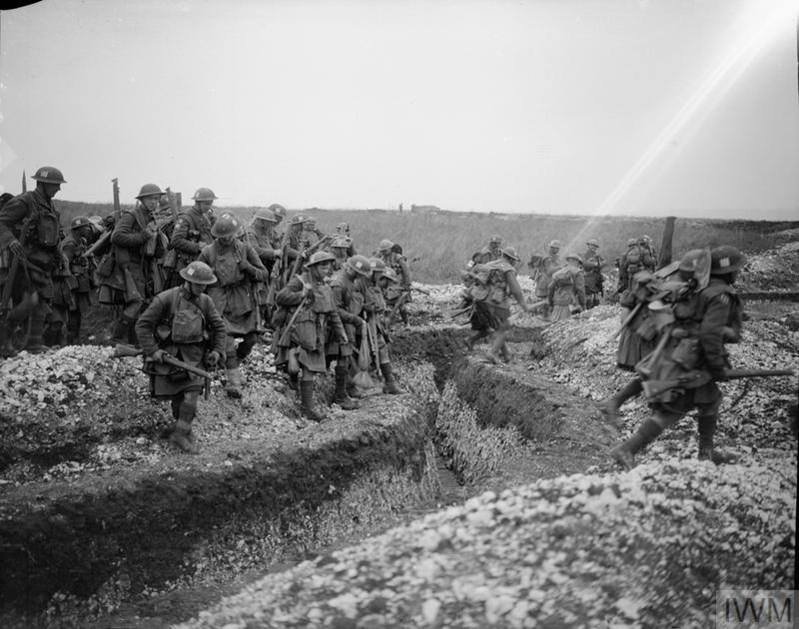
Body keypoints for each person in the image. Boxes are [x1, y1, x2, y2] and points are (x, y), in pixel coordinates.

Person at [610, 245, 745, 470]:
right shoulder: (720, 295)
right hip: (696, 360)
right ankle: (628, 448)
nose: (738, 274)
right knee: (672, 411)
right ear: (729, 271)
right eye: (737, 270)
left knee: (710, 401)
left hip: (688, 355)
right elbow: (710, 334)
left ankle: (707, 452)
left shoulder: (698, 288)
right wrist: (717, 365)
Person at [600, 249, 709, 428]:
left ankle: (619, 404)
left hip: (652, 333)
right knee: (655, 372)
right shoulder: (677, 287)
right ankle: (627, 409)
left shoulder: (671, 280)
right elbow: (665, 312)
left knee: (655, 372)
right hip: (648, 333)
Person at [135, 260, 226, 454]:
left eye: (205, 285)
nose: (202, 288)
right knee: (178, 398)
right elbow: (143, 325)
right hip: (170, 357)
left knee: (191, 396)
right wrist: (153, 351)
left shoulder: (205, 301)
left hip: (195, 357)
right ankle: (182, 428)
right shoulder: (165, 299)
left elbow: (219, 327)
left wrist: (217, 351)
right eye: (199, 284)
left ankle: (180, 434)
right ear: (187, 281)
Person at [198, 212, 268, 398]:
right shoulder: (208, 252)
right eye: (223, 236)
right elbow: (196, 275)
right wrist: (208, 275)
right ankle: (234, 383)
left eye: (230, 235)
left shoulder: (245, 249)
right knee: (226, 341)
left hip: (242, 300)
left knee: (252, 339)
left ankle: (234, 360)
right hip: (219, 299)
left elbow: (264, 274)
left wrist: (249, 268)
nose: (227, 239)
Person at [273, 250, 349, 422]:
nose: (326, 268)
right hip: (301, 330)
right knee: (306, 367)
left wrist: (341, 333)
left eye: (328, 265)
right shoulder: (300, 281)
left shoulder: (326, 286)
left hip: (318, 332)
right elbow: (281, 297)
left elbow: (333, 312)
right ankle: (307, 406)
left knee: (310, 368)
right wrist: (301, 295)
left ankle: (307, 405)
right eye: (322, 265)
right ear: (313, 267)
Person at [0, 166, 67, 354]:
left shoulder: (49, 205)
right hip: (23, 262)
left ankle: (34, 345)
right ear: (43, 184)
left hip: (42, 262)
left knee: (41, 303)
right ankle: (2, 342)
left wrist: (58, 255)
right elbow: (2, 222)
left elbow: (51, 235)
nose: (58, 189)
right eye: (55, 185)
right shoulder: (25, 201)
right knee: (30, 301)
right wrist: (10, 240)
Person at [99, 183, 168, 346]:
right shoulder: (132, 215)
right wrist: (142, 236)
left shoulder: (152, 218)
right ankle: (116, 338)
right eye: (151, 199)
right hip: (128, 266)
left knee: (141, 303)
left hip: (143, 266)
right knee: (136, 302)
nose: (154, 202)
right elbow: (116, 237)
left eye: (157, 199)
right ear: (142, 199)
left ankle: (134, 343)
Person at [467, 246, 536, 362]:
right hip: (494, 302)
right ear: (512, 259)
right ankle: (492, 353)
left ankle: (505, 354)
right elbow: (515, 289)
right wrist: (523, 304)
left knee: (494, 327)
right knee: (505, 328)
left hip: (479, 299)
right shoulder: (508, 269)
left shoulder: (489, 264)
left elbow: (474, 278)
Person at [329, 255, 372, 409]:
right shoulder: (339, 284)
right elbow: (335, 310)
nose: (360, 277)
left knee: (347, 357)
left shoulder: (349, 282)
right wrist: (355, 319)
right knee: (343, 358)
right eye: (359, 274)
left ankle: (347, 387)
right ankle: (340, 395)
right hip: (337, 327)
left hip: (347, 325)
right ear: (353, 271)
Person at [364, 258, 402, 394]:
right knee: (367, 353)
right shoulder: (363, 286)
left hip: (375, 324)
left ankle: (388, 381)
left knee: (382, 348)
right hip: (364, 324)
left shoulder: (376, 288)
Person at [168, 187, 216, 287]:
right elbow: (176, 240)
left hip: (203, 264)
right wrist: (198, 247)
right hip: (188, 265)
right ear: (198, 203)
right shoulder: (186, 218)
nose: (209, 206)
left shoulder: (205, 217)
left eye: (210, 203)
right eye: (206, 203)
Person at [60, 216, 96, 344]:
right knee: (73, 312)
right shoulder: (70, 243)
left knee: (78, 312)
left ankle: (75, 339)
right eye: (86, 227)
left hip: (80, 282)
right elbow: (64, 264)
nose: (88, 230)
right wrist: (71, 281)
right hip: (73, 284)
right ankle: (70, 341)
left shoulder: (79, 241)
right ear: (78, 229)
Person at [243, 208, 282, 323]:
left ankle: (265, 320)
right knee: (259, 297)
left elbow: (268, 245)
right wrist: (273, 253)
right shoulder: (250, 232)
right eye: (269, 222)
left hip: (266, 268)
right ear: (261, 221)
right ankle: (258, 322)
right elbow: (254, 250)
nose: (271, 224)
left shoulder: (264, 232)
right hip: (255, 269)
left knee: (267, 295)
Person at [378, 239, 412, 327]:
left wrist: (407, 284)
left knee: (401, 306)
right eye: (382, 251)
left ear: (390, 249)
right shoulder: (382, 259)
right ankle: (390, 325)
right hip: (388, 286)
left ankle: (406, 323)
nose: (384, 252)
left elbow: (406, 271)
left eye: (385, 250)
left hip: (399, 285)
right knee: (388, 306)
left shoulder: (398, 258)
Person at [530, 239, 564, 321]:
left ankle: (546, 316)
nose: (557, 250)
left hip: (548, 281)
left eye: (558, 248)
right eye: (556, 248)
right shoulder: (547, 258)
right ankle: (543, 317)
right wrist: (561, 268)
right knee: (545, 299)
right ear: (552, 248)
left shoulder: (553, 257)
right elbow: (550, 270)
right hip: (544, 281)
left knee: (549, 299)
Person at [547, 252, 586, 321]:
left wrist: (550, 303)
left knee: (554, 327)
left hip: (557, 304)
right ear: (576, 262)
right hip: (571, 305)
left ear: (568, 261)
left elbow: (550, 288)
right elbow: (581, 290)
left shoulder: (557, 273)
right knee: (569, 327)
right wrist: (583, 305)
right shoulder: (578, 272)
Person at [582, 239, 605, 309]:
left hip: (596, 277)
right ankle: (587, 309)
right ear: (588, 246)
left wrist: (601, 264)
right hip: (588, 277)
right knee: (588, 294)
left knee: (596, 294)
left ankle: (596, 309)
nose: (594, 248)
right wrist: (594, 264)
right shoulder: (585, 254)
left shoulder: (597, 255)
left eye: (595, 246)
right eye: (592, 246)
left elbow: (605, 262)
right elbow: (584, 263)